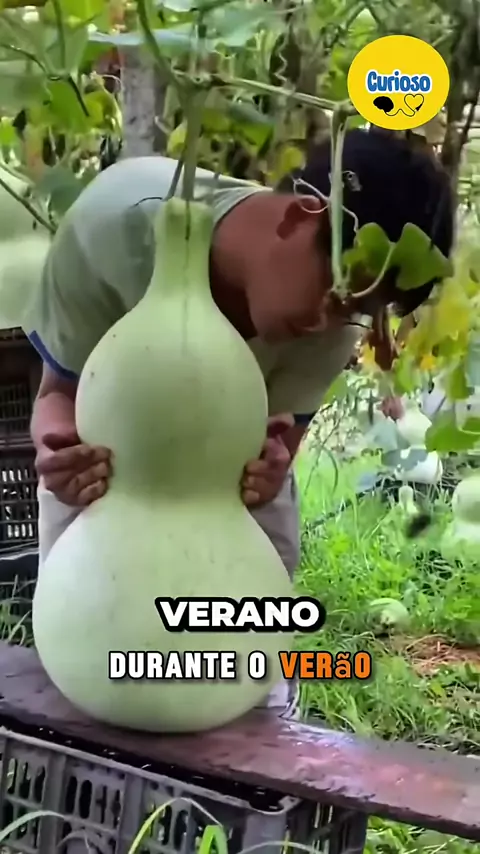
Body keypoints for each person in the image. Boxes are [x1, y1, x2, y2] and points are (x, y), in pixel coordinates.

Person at [24, 128, 454, 721]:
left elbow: (280, 444)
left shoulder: (332, 327)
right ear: (299, 218)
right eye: (338, 296)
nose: (332, 322)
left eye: (358, 311)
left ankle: (259, 716)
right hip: (107, 478)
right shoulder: (112, 227)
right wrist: (55, 446)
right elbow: (58, 395)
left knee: (249, 693)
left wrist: (270, 467)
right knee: (80, 688)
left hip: (222, 488)